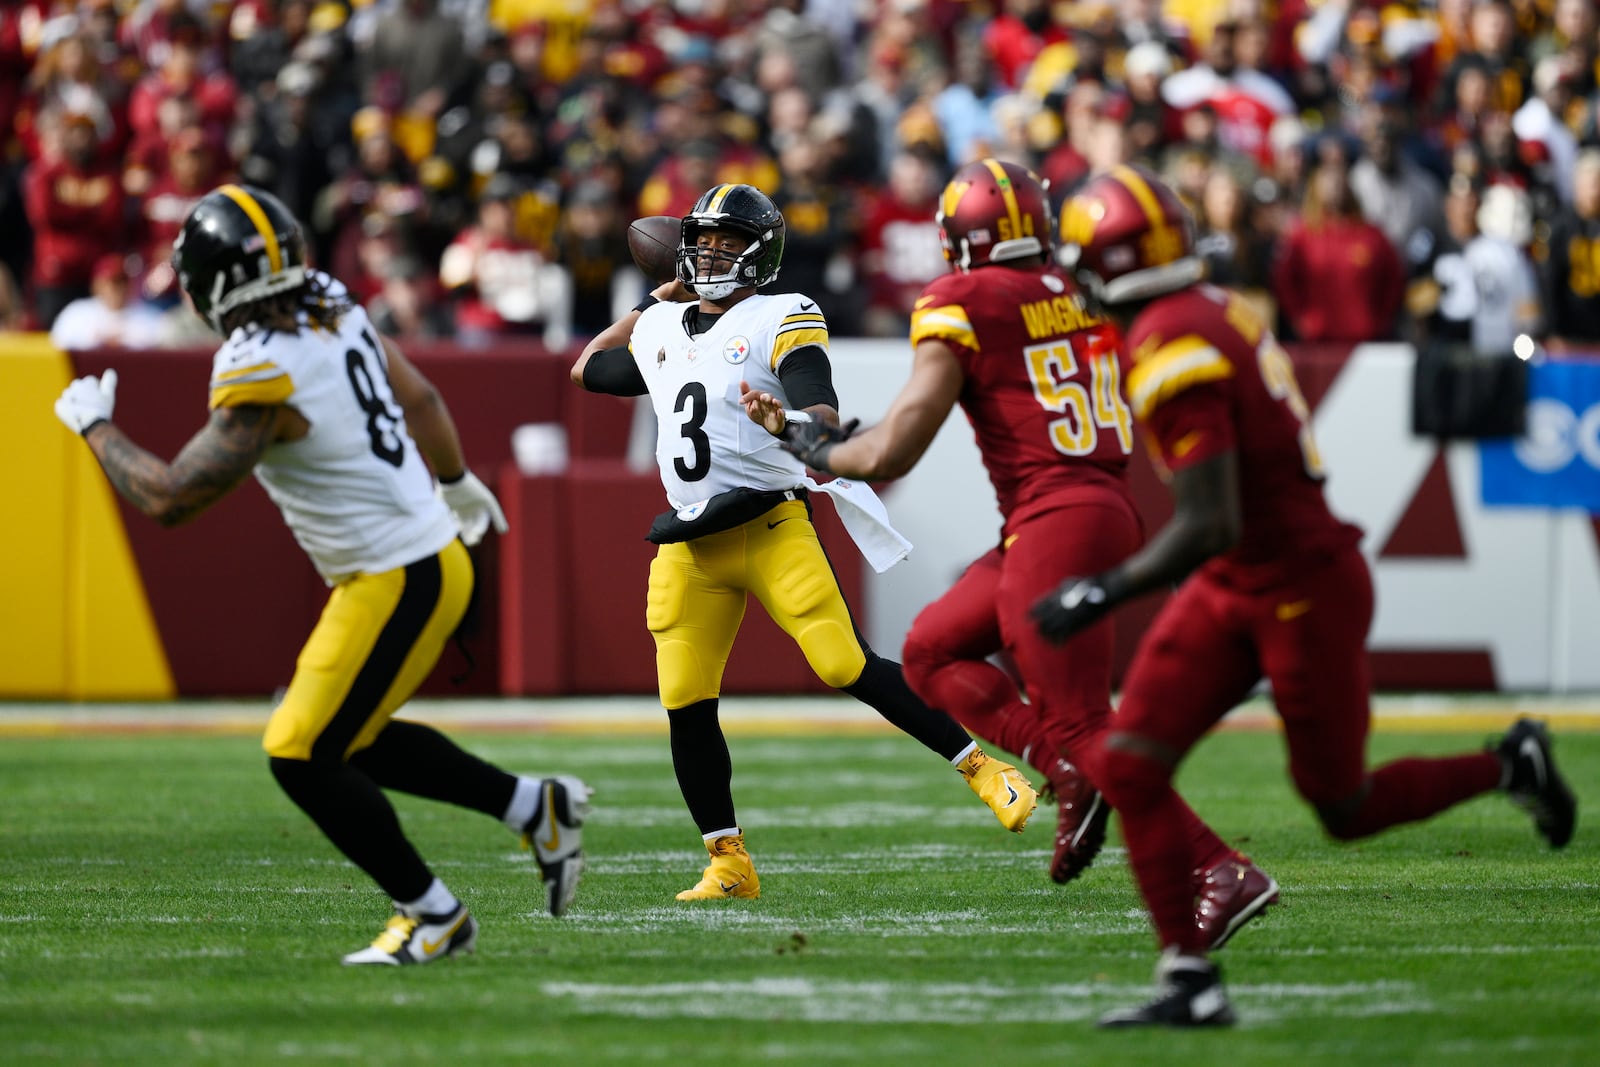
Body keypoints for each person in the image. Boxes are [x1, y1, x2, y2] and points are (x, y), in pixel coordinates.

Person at [1034, 165, 1579, 1028]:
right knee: (1132, 763)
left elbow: (1212, 517)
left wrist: (1104, 588)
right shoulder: (1199, 312)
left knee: (1343, 806)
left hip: (1297, 585)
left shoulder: (1174, 340)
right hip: (1238, 577)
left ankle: (1510, 763)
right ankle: (1188, 979)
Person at [52, 183, 592, 966]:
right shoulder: (332, 302)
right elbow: (424, 394)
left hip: (398, 575)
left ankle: (434, 914)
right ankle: (531, 805)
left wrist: (94, 426)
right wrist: (454, 477)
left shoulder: (261, 361)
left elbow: (170, 498)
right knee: (343, 734)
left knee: (300, 749)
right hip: (412, 561)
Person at [762, 162, 1275, 943]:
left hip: (1055, 517)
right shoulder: (1077, 289)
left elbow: (894, 450)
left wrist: (815, 443)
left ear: (960, 239)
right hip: (1096, 505)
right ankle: (1068, 774)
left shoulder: (961, 300)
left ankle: (1216, 866)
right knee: (931, 650)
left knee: (1081, 722)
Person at [569, 182, 1037, 900]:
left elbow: (818, 397)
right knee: (685, 696)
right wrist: (649, 301)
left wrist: (786, 419)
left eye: (727, 242)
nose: (709, 254)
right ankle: (728, 861)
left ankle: (985, 769)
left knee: (843, 661)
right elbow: (587, 369)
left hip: (767, 519)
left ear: (761, 255)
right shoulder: (662, 327)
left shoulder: (779, 315)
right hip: (689, 541)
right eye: (700, 241)